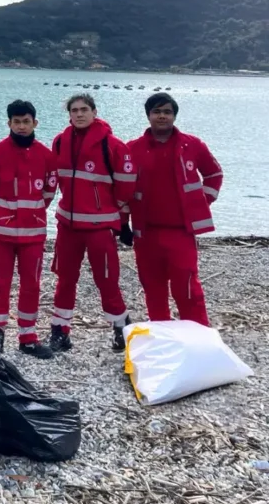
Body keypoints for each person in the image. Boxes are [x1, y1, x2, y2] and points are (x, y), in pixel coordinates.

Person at [49, 94, 137, 353]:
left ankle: (121, 327)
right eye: (74, 110)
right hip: (68, 226)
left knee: (107, 280)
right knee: (65, 279)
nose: (79, 114)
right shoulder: (59, 142)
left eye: (84, 109)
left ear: (94, 112)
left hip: (100, 228)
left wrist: (123, 223)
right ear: (69, 115)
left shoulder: (113, 146)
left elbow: (126, 188)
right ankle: (60, 331)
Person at [127, 93, 223, 326]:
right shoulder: (132, 149)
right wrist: (122, 225)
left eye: (167, 112)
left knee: (187, 287)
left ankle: (199, 337)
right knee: (153, 287)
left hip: (181, 232)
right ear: (148, 116)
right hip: (146, 233)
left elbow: (214, 175)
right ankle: (162, 337)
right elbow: (122, 190)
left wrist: (201, 203)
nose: (162, 116)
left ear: (174, 116)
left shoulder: (193, 145)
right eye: (157, 112)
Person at [0, 100, 58, 359]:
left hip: (33, 234)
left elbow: (49, 192)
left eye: (26, 121)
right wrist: (3, 217)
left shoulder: (47, 155)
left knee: (31, 285)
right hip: (1, 234)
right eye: (17, 122)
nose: (22, 126)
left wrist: (32, 214)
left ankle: (28, 337)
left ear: (35, 122)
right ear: (9, 124)